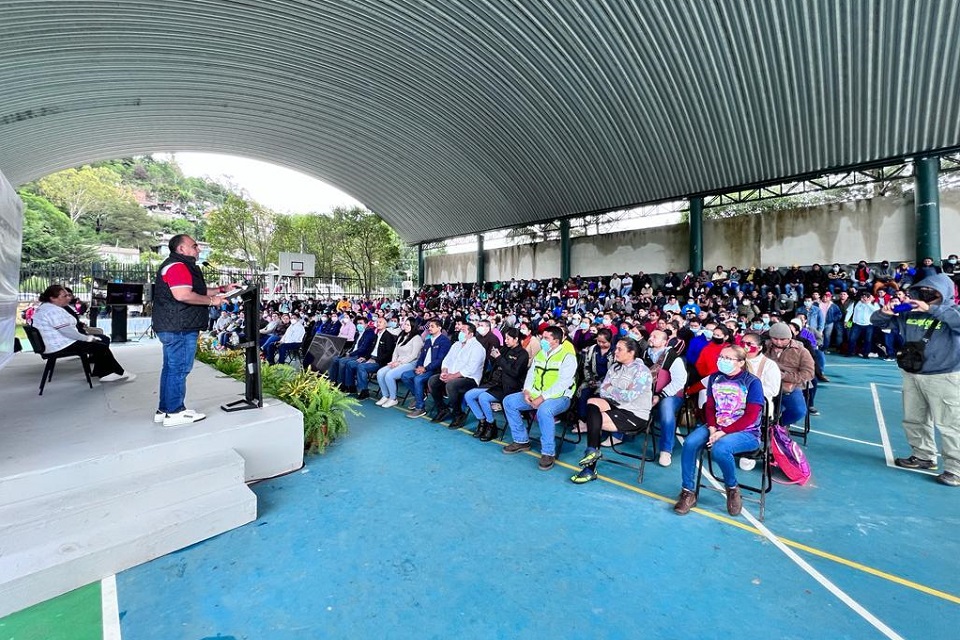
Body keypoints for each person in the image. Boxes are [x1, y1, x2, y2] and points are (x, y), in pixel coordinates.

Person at [871, 273, 960, 486]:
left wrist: (930, 309)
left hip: (944, 375)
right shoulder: (909, 312)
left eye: (933, 291)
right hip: (913, 374)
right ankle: (923, 456)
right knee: (914, 419)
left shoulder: (952, 312)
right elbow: (875, 321)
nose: (927, 294)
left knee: (950, 424)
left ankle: (956, 468)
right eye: (924, 290)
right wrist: (886, 311)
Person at [153, 234, 237, 427]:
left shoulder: (178, 265)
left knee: (171, 368)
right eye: (194, 246)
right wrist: (212, 301)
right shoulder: (178, 266)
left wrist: (221, 289)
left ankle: (165, 409)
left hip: (174, 324)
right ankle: (175, 412)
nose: (198, 249)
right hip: (179, 326)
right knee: (180, 368)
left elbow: (195, 290)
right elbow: (183, 294)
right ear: (181, 249)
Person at [674, 345, 764, 517]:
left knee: (720, 449)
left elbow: (751, 416)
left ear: (740, 362)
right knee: (690, 443)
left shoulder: (752, 382)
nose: (722, 360)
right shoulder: (715, 377)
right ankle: (688, 492)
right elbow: (710, 407)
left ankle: (732, 488)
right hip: (716, 426)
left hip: (746, 432)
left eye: (727, 358)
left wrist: (723, 432)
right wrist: (713, 427)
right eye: (721, 357)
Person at [571, 337, 653, 483]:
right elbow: (603, 390)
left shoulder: (642, 371)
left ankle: (590, 469)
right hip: (616, 405)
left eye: (620, 349)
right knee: (592, 402)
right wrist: (618, 390)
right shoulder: (615, 367)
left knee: (594, 420)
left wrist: (612, 389)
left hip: (634, 414)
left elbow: (630, 396)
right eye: (616, 348)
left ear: (631, 353)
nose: (615, 352)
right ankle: (592, 452)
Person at [501, 326, 577, 471]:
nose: (542, 340)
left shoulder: (568, 357)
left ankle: (548, 452)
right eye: (542, 337)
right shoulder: (541, 354)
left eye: (546, 338)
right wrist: (527, 391)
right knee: (509, 402)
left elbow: (563, 384)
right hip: (536, 394)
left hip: (560, 397)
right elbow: (531, 374)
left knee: (544, 411)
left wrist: (542, 398)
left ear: (556, 341)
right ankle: (521, 440)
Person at [31, 284, 135, 384]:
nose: (68, 298)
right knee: (100, 346)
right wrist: (86, 338)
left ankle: (105, 372)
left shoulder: (45, 308)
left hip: (55, 344)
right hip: (61, 345)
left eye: (68, 295)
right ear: (53, 298)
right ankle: (112, 373)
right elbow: (68, 332)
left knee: (99, 345)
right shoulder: (53, 311)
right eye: (64, 296)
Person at [463, 327, 529, 441]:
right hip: (494, 383)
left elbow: (514, 372)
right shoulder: (504, 349)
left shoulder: (523, 354)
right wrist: (493, 356)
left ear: (516, 339)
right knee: (469, 395)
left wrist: (499, 358)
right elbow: (495, 364)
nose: (506, 341)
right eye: (505, 338)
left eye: (508, 338)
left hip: (508, 386)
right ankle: (482, 421)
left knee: (483, 398)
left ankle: (491, 425)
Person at [427, 322, 486, 428]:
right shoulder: (456, 344)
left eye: (463, 331)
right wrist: (444, 372)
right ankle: (443, 409)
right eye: (460, 331)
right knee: (433, 380)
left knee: (452, 385)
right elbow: (447, 360)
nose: (460, 333)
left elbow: (470, 369)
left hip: (469, 379)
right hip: (451, 375)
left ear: (471, 334)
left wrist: (452, 377)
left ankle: (458, 414)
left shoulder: (477, 348)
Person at [643, 329, 687, 467]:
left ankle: (666, 450)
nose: (651, 338)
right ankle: (617, 435)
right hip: (648, 392)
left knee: (666, 409)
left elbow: (680, 381)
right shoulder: (645, 354)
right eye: (651, 335)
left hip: (670, 395)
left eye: (655, 336)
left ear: (664, 341)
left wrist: (661, 395)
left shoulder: (673, 357)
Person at [763, 321, 814, 430]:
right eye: (775, 339)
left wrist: (783, 376)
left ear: (789, 338)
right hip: (766, 384)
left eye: (782, 339)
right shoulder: (764, 347)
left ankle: (779, 425)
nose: (778, 342)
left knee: (798, 411)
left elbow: (808, 374)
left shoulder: (802, 351)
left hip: (789, 386)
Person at [403, 320, 452, 418]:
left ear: (439, 328)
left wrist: (425, 368)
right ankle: (420, 396)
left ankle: (420, 408)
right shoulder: (428, 340)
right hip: (423, 368)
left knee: (418, 379)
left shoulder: (444, 341)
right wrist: (419, 367)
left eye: (432, 326)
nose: (429, 328)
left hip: (434, 370)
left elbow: (440, 360)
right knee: (405, 376)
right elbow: (421, 357)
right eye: (429, 326)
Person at [375, 318, 423, 408]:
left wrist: (399, 363)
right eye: (405, 324)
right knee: (380, 373)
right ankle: (385, 395)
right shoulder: (401, 336)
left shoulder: (417, 338)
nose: (406, 326)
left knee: (389, 375)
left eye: (408, 325)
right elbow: (395, 351)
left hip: (410, 363)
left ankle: (393, 399)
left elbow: (414, 356)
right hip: (397, 362)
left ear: (413, 326)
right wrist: (393, 361)